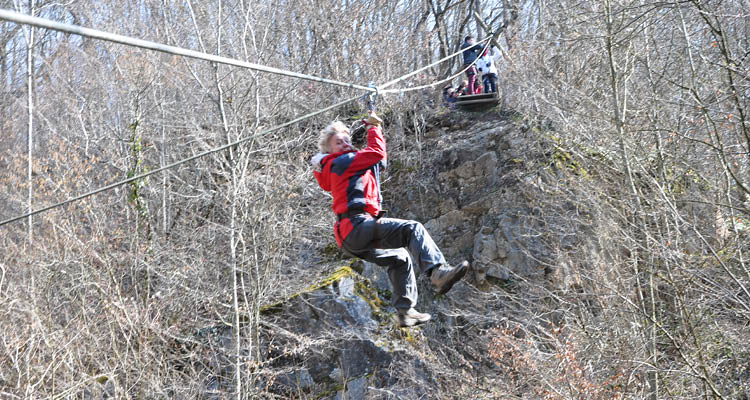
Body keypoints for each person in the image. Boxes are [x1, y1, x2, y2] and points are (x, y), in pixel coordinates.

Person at [310, 111, 470, 327]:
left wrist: (375, 130)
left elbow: (378, 161)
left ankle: (404, 312)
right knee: (412, 229)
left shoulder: (341, 166)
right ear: (328, 150)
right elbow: (375, 153)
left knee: (400, 258)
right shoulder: (342, 162)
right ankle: (437, 272)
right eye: (339, 142)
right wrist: (373, 128)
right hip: (357, 225)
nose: (346, 144)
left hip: (351, 236)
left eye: (347, 140)